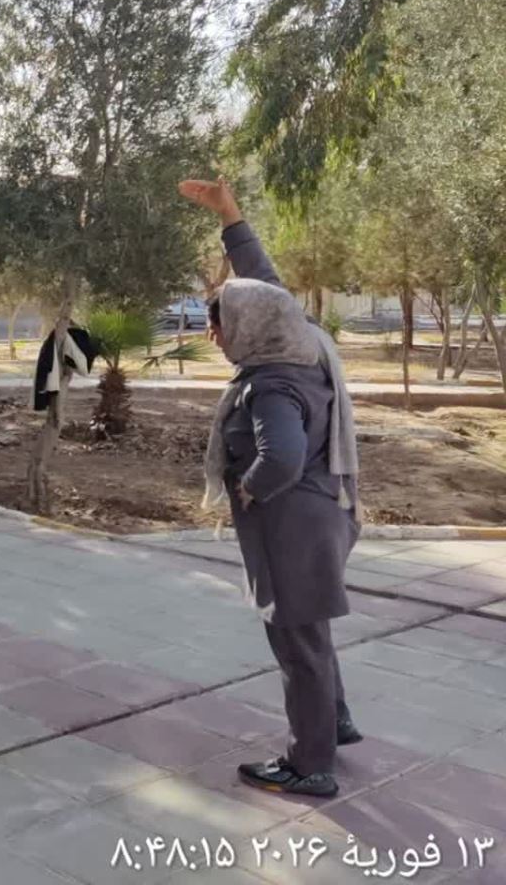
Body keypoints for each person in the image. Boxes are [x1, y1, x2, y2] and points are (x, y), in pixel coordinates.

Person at [180, 178, 363, 799]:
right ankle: (333, 722)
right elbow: (266, 286)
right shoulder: (301, 344)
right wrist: (229, 217)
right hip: (323, 514)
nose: (215, 337)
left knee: (297, 644)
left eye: (219, 325)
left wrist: (251, 489)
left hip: (293, 527)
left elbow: (280, 456)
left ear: (248, 327)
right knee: (311, 633)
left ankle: (310, 765)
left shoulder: (274, 381)